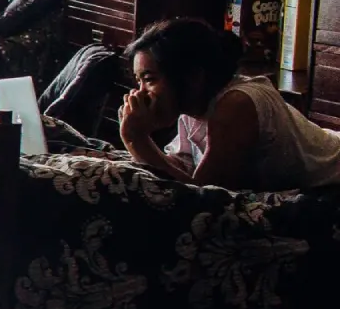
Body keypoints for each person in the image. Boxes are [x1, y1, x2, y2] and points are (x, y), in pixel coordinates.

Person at [119, 19, 340, 192]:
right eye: (138, 81)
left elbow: (203, 200)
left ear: (193, 77)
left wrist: (136, 140)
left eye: (149, 79)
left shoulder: (236, 105)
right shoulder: (193, 106)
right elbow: (183, 168)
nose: (139, 93)